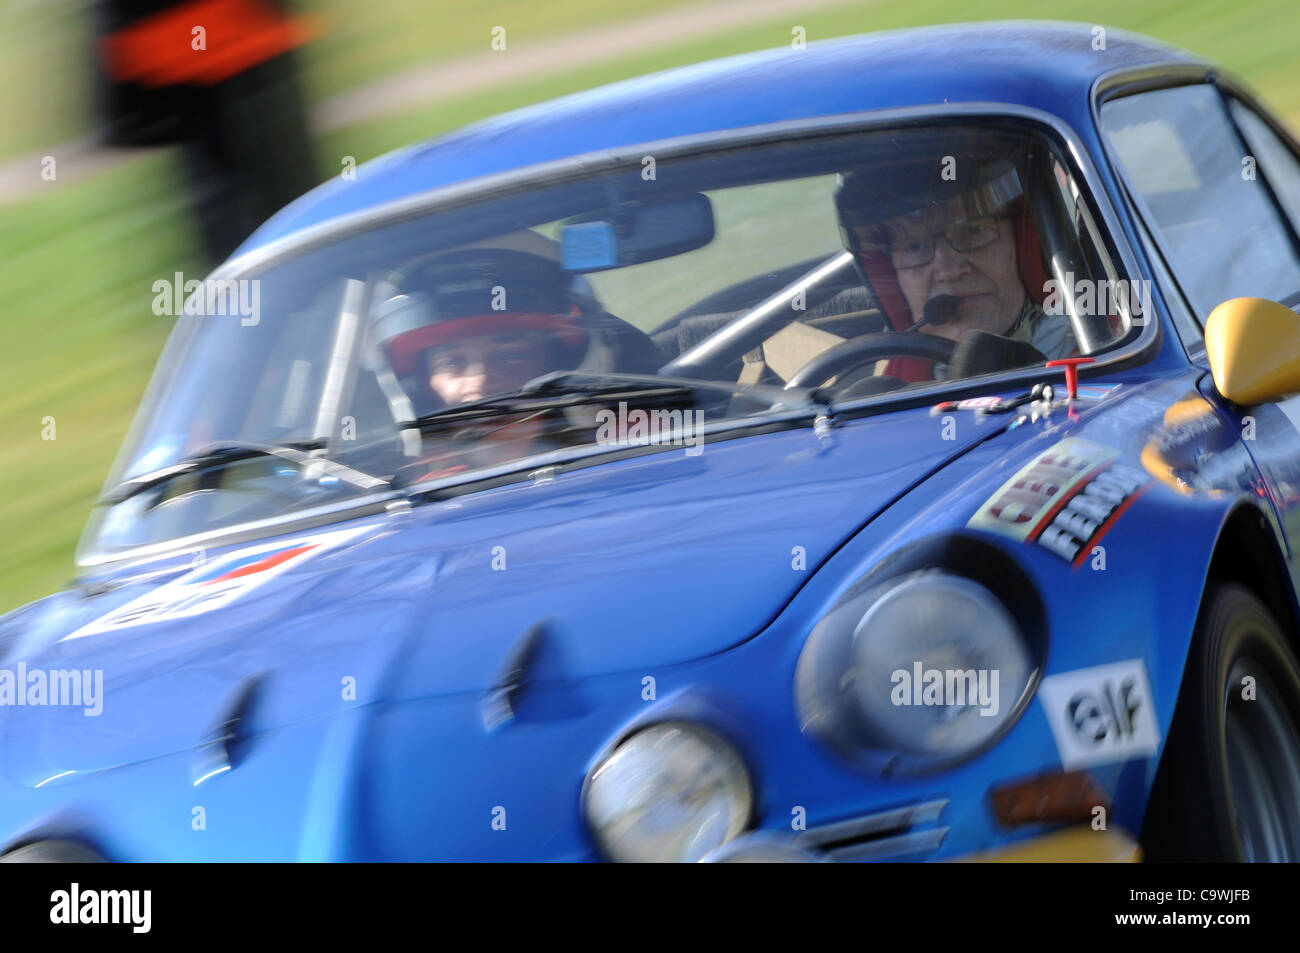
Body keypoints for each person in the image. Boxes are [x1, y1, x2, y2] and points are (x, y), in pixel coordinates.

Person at [370, 245, 654, 482]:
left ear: (560, 365)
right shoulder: (405, 499)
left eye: (508, 356)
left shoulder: (644, 447)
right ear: (421, 389)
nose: (480, 382)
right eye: (453, 361)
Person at [834, 150, 1076, 382]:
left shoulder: (1103, 365)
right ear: (892, 275)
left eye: (974, 230)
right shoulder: (880, 402)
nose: (948, 271)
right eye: (914, 246)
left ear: (1024, 245)